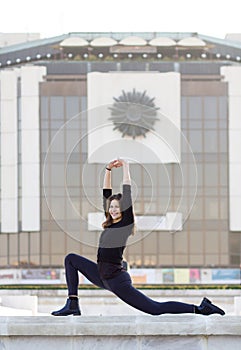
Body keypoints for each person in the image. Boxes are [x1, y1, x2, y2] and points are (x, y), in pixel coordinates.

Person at [51, 159, 225, 317]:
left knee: (155, 309)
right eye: (111, 207)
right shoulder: (110, 222)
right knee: (71, 259)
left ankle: (200, 309)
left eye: (117, 207)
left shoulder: (125, 224)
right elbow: (106, 193)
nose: (112, 209)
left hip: (116, 279)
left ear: (123, 209)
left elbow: (127, 193)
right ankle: (72, 303)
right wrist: (108, 170)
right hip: (101, 274)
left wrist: (126, 168)